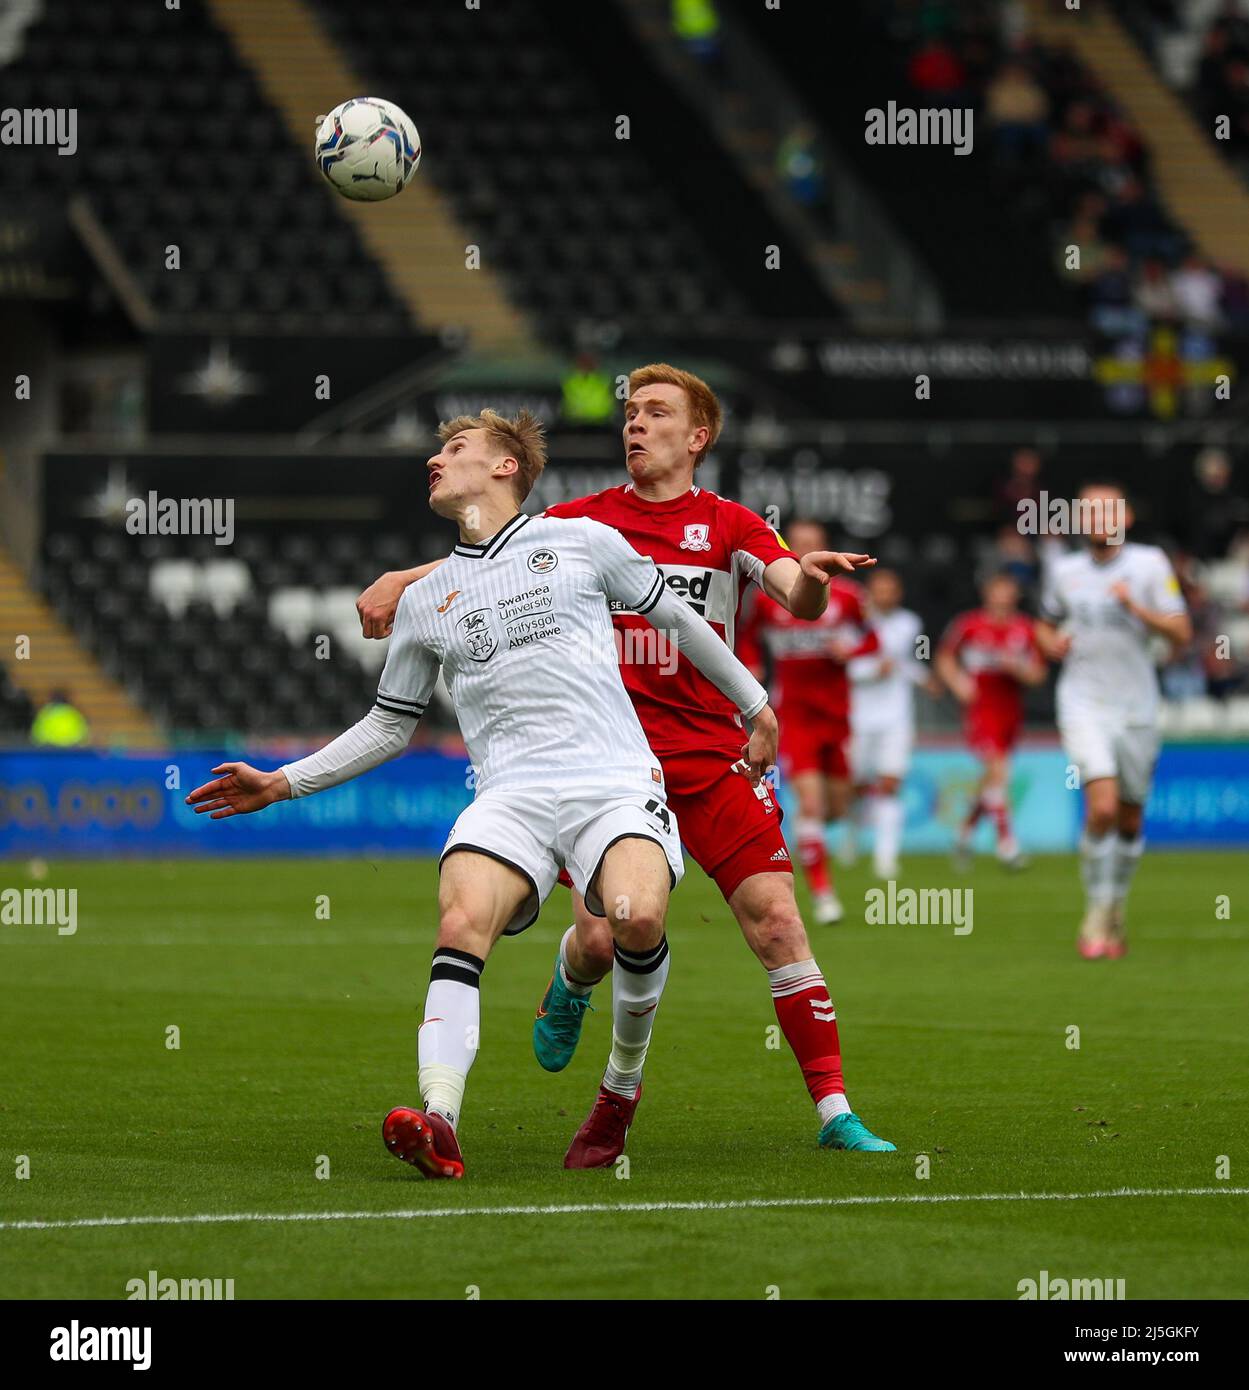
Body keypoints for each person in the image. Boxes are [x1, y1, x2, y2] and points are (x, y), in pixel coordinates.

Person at [187, 408, 779, 1178]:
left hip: (613, 784)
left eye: (455, 449)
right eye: (436, 448)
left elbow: (680, 622)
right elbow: (387, 726)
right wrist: (281, 783)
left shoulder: (580, 542)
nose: (435, 460)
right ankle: (439, 1119)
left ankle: (618, 1095)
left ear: (505, 467)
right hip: (509, 796)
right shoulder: (426, 602)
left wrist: (754, 705)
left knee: (632, 918)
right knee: (461, 917)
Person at [357, 365, 895, 1154]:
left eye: (655, 412)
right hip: (605, 767)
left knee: (777, 921)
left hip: (710, 756)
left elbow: (791, 589)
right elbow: (488, 557)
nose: (634, 425)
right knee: (608, 938)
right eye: (629, 412)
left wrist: (810, 586)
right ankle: (571, 982)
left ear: (696, 436)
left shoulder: (731, 525)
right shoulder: (583, 522)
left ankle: (834, 1111)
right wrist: (403, 579)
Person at [1035, 483, 1191, 959]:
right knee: (1101, 808)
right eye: (1089, 511)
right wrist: (1048, 643)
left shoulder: (1149, 565)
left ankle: (1116, 903)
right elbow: (1044, 622)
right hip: (1083, 702)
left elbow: (1181, 633)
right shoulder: (1065, 570)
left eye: (1108, 510)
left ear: (1125, 519)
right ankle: (1097, 910)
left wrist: (1135, 608)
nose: (1098, 518)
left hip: (1137, 706)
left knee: (1129, 816)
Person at [737, 520, 879, 924]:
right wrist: (751, 664)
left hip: (838, 715)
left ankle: (812, 837)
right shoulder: (772, 598)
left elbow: (873, 638)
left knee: (836, 806)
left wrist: (851, 650)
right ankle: (823, 894)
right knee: (812, 803)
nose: (805, 549)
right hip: (794, 715)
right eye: (797, 544)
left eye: (813, 543)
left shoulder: (849, 596)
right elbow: (746, 634)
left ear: (825, 547)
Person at [936, 573, 1046, 872]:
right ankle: (1007, 844)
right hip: (981, 709)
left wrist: (1019, 668)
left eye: (1008, 591)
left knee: (992, 780)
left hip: (1010, 710)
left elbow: (1038, 674)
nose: (1002, 597)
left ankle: (964, 833)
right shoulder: (969, 625)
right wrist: (958, 683)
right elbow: (945, 657)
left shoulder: (1025, 628)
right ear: (987, 593)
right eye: (997, 591)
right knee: (998, 772)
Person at [846, 569, 938, 879]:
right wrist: (872, 671)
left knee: (889, 783)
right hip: (858, 714)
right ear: (869, 593)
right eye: (879, 589)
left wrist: (926, 679)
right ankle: (852, 838)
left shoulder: (910, 623)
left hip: (896, 715)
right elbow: (841, 665)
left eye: (890, 589)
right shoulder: (853, 624)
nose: (885, 595)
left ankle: (886, 858)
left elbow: (907, 662)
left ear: (898, 592)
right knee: (857, 784)